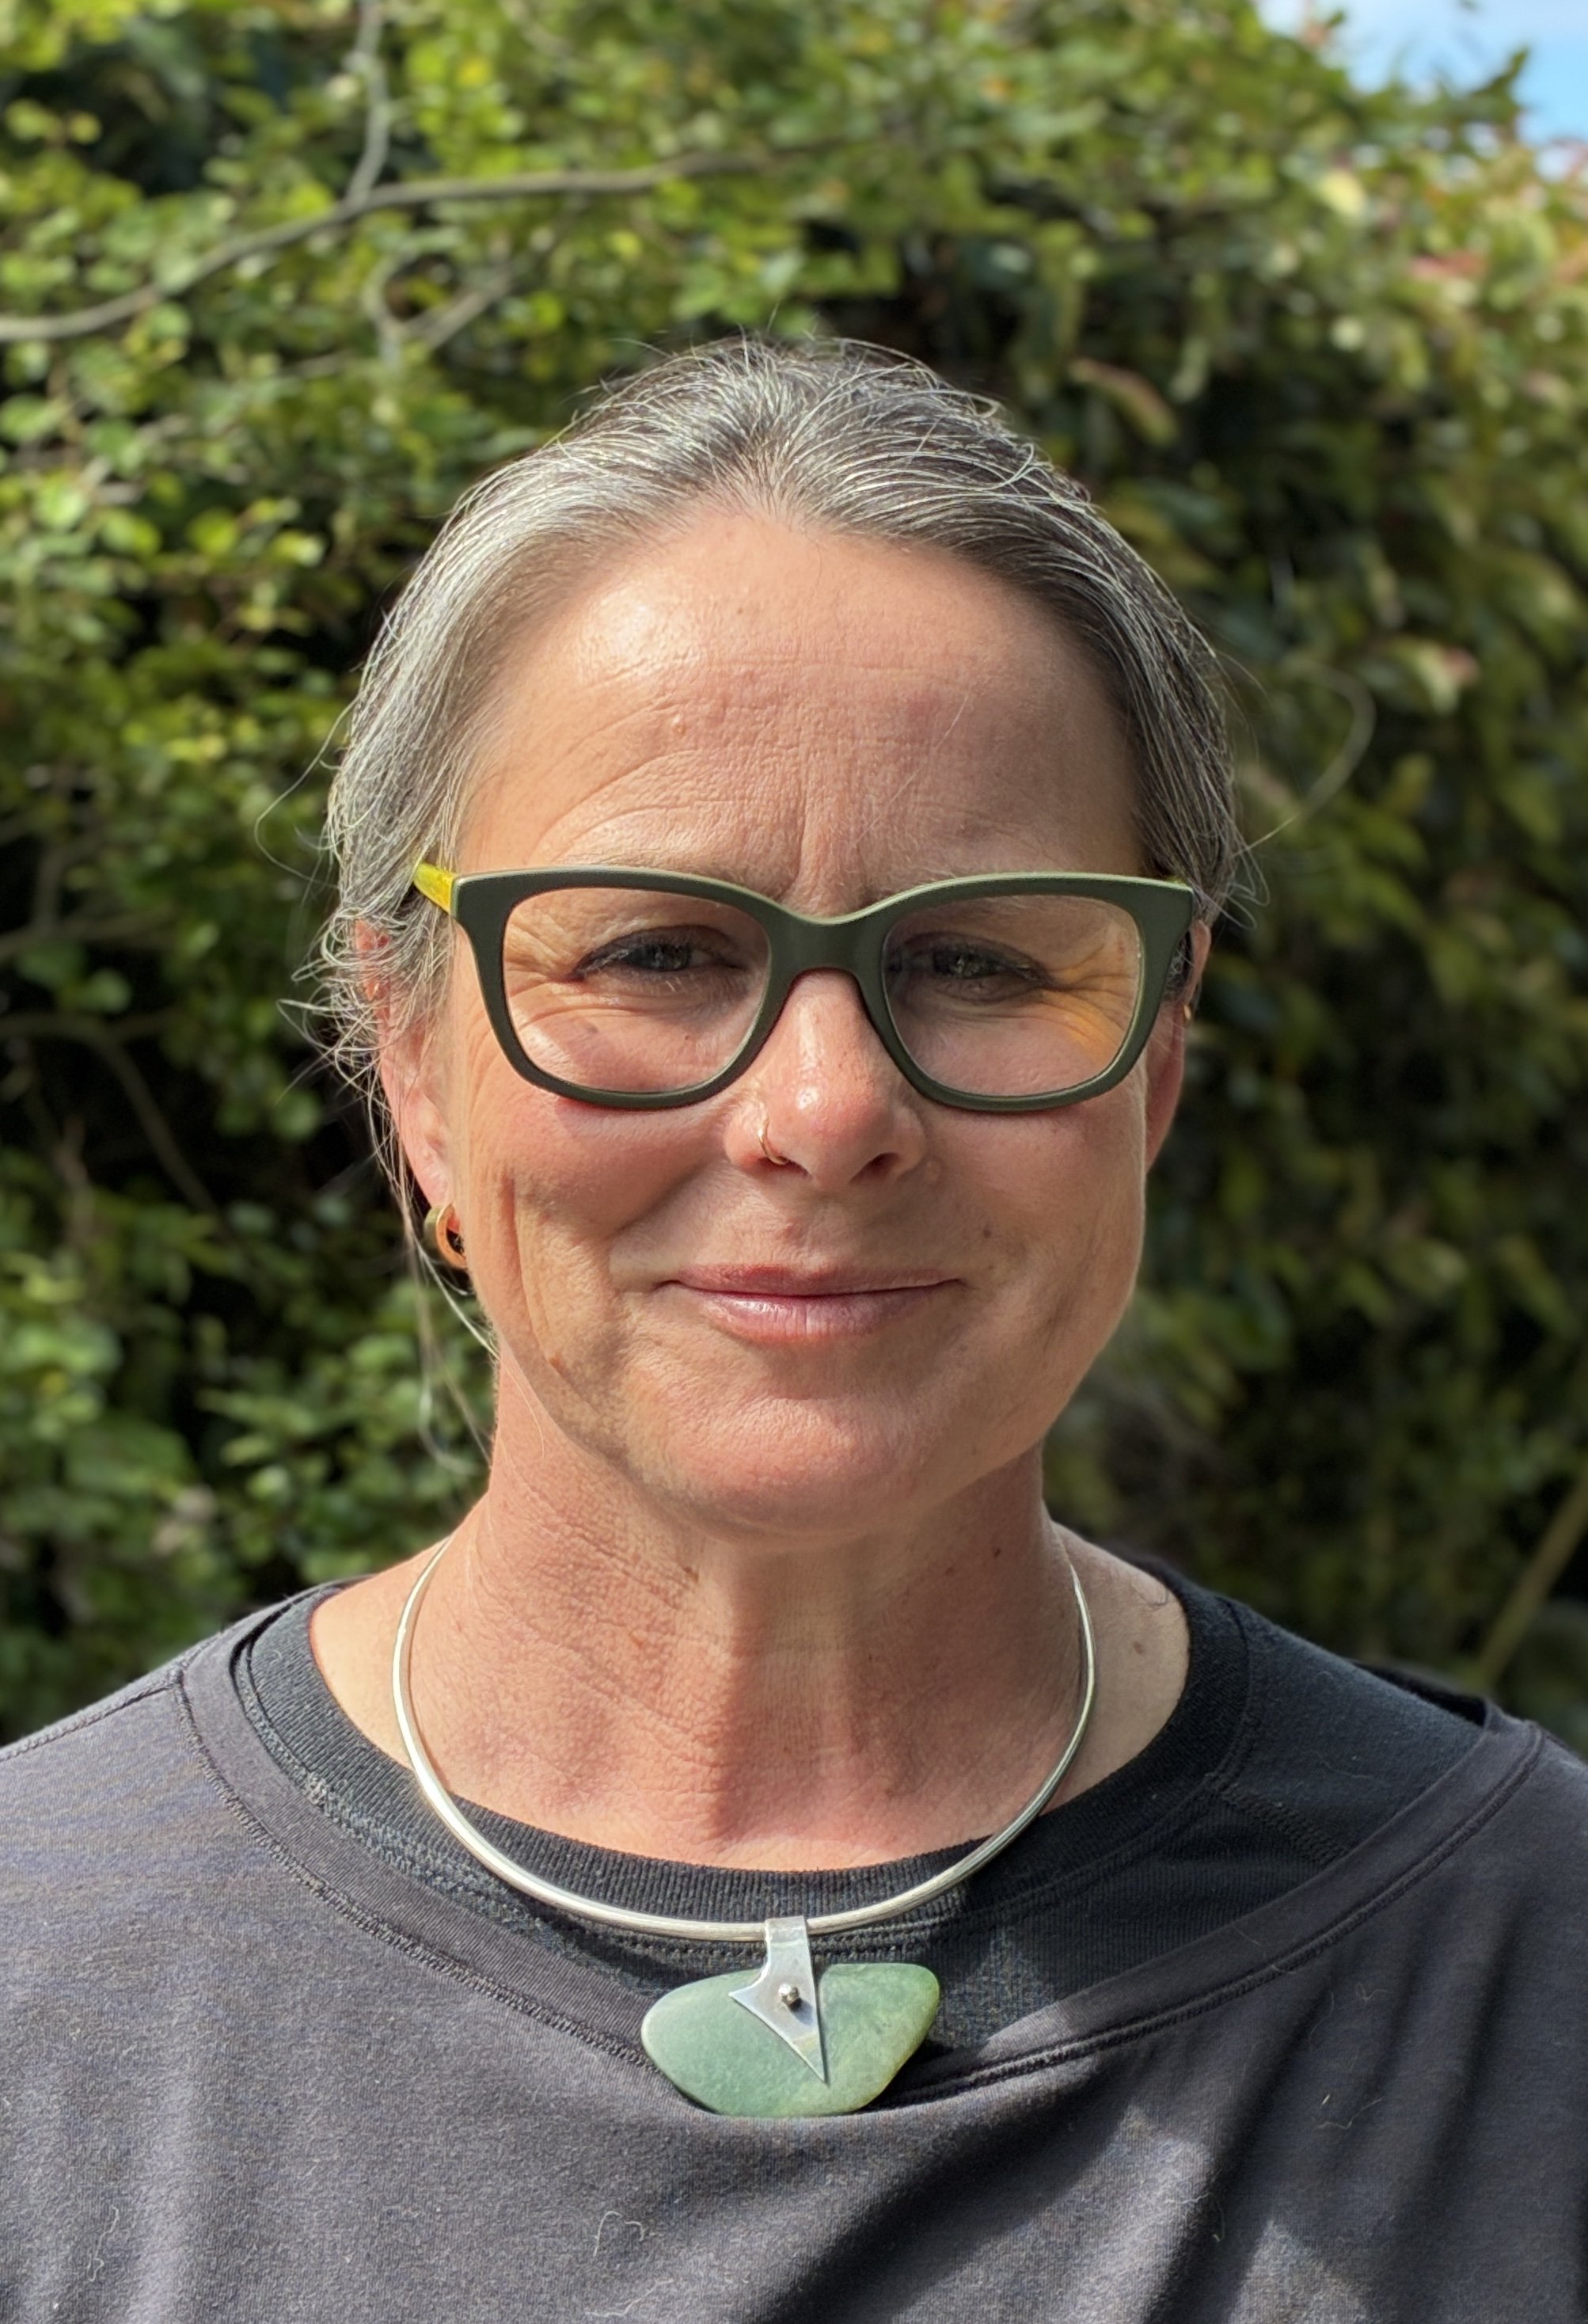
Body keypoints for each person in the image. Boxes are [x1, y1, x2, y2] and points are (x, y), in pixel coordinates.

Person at [3, 337, 1586, 2323]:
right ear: (413, 1055)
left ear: (1156, 1070)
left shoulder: (1526, 1972)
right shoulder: (41, 1992)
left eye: (979, 957)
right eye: (657, 949)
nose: (827, 1113)